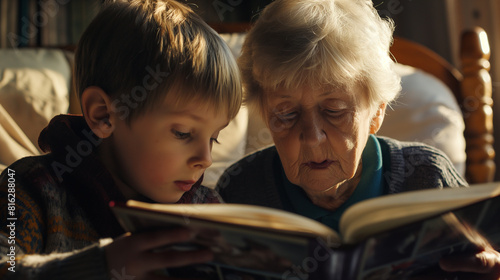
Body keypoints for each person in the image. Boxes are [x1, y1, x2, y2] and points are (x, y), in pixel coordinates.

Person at [215, 0, 500, 278]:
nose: (312, 138)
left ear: (376, 115)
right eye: (286, 113)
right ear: (265, 115)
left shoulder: (428, 177)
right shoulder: (240, 189)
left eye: (334, 111)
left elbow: (479, 258)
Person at [0, 0, 242, 279]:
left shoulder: (206, 208)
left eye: (214, 138)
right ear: (104, 114)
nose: (206, 159)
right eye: (183, 133)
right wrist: (101, 266)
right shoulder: (26, 187)